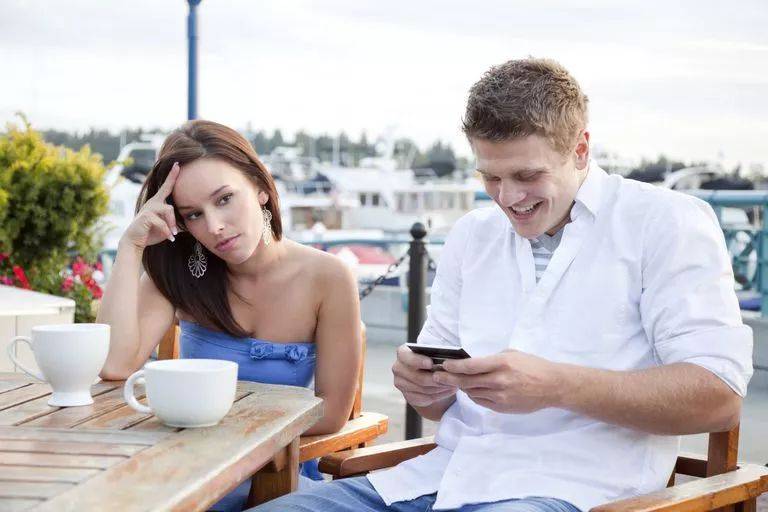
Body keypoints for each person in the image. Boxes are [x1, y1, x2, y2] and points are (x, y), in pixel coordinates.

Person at [249, 58, 754, 511]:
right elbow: (437, 406)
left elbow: (719, 396)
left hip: (576, 490)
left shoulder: (665, 223)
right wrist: (421, 386)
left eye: (527, 175)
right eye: (490, 177)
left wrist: (556, 386)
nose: (508, 198)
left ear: (580, 149)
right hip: (442, 477)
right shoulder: (473, 235)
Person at [97, 120, 362, 511]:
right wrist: (131, 246)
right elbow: (114, 364)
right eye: (193, 215)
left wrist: (223, 435)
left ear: (259, 186)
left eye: (224, 199)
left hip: (276, 478)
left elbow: (332, 414)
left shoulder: (328, 277)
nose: (215, 227)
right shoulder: (179, 275)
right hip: (187, 472)